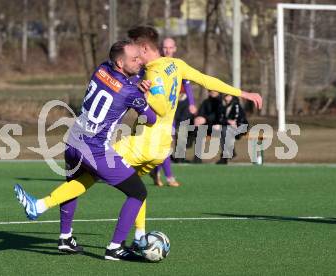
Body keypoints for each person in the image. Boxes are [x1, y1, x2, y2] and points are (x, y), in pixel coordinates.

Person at [16, 25, 262, 256]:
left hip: (140, 143)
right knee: (135, 190)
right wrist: (243, 93)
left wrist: (147, 92)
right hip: (162, 147)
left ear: (144, 49)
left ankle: (44, 208)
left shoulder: (143, 74)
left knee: (90, 178)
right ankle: (139, 237)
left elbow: (160, 111)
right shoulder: (175, 64)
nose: (136, 58)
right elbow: (207, 80)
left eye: (136, 51)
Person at [14, 39, 156, 261]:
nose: (140, 62)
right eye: (134, 59)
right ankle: (115, 248)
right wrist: (144, 97)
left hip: (72, 142)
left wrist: (137, 82)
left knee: (74, 187)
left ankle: (65, 238)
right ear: (120, 62)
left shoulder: (101, 69)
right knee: (138, 192)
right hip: (96, 151)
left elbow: (120, 84)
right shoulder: (131, 93)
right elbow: (150, 119)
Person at [149, 37, 197, 187]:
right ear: (161, 49)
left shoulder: (178, 65)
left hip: (175, 109)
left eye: (170, 47)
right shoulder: (156, 64)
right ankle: (169, 177)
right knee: (165, 142)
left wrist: (192, 103)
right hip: (160, 111)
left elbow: (187, 84)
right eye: (165, 47)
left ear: (175, 49)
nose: (168, 50)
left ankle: (156, 172)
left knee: (163, 144)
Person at [194, 91, 248, 164]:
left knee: (225, 130)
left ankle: (227, 155)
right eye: (226, 96)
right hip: (226, 127)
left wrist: (228, 123)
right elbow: (221, 118)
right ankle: (198, 158)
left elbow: (237, 120)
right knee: (223, 130)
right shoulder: (221, 105)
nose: (227, 98)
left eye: (229, 96)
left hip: (240, 127)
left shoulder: (236, 105)